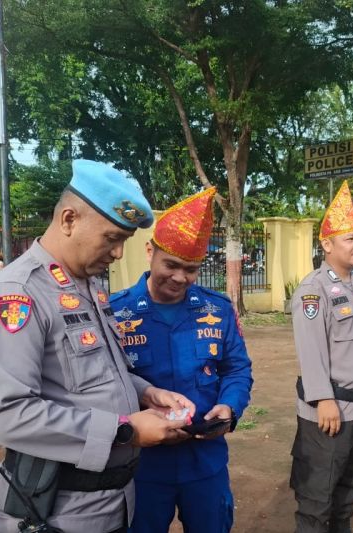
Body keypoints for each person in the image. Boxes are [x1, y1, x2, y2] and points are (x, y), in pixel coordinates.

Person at [0, 160, 197, 533]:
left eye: (124, 240)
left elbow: (98, 372)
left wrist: (147, 393)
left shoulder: (86, 286)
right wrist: (126, 431)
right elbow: (8, 415)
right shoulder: (17, 295)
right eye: (112, 238)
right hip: (56, 511)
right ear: (69, 220)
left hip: (109, 503)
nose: (119, 253)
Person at [109, 187, 253, 533]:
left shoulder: (216, 309)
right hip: (141, 464)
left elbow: (236, 368)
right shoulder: (114, 312)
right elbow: (106, 381)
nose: (179, 278)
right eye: (170, 264)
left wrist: (230, 407)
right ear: (149, 252)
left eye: (191, 269)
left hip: (204, 460)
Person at [289, 181, 353, 533]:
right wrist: (323, 398)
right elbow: (310, 349)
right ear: (327, 245)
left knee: (349, 491)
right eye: (350, 239)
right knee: (317, 499)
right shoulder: (314, 290)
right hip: (329, 413)